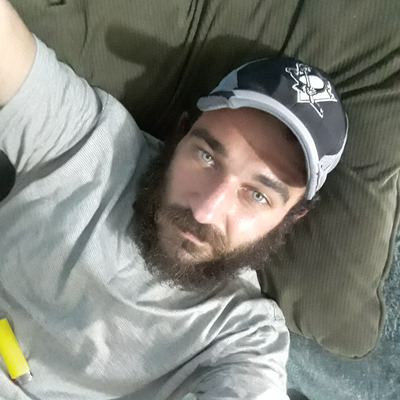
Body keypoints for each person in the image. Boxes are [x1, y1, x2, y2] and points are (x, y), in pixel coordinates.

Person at [0, 1, 348, 399]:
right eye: (206, 157)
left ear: (291, 218)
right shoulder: (94, 145)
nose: (205, 209)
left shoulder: (241, 335)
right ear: (179, 133)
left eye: (257, 195)